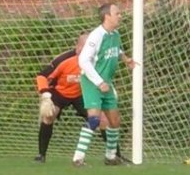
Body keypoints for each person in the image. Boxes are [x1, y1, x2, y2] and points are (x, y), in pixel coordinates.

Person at [35, 33, 128, 163]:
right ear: (77, 47)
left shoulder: (97, 60)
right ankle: (41, 155)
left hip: (82, 94)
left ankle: (115, 155)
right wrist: (45, 95)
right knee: (49, 115)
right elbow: (42, 76)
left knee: (103, 120)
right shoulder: (64, 59)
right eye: (84, 48)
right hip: (59, 92)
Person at [72, 3, 135, 166]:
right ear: (107, 16)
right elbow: (83, 60)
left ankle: (110, 156)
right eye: (117, 13)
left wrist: (126, 59)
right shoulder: (96, 35)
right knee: (94, 119)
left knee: (115, 121)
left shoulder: (115, 34)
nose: (120, 16)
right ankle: (78, 159)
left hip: (106, 83)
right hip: (92, 82)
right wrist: (99, 82)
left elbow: (117, 50)